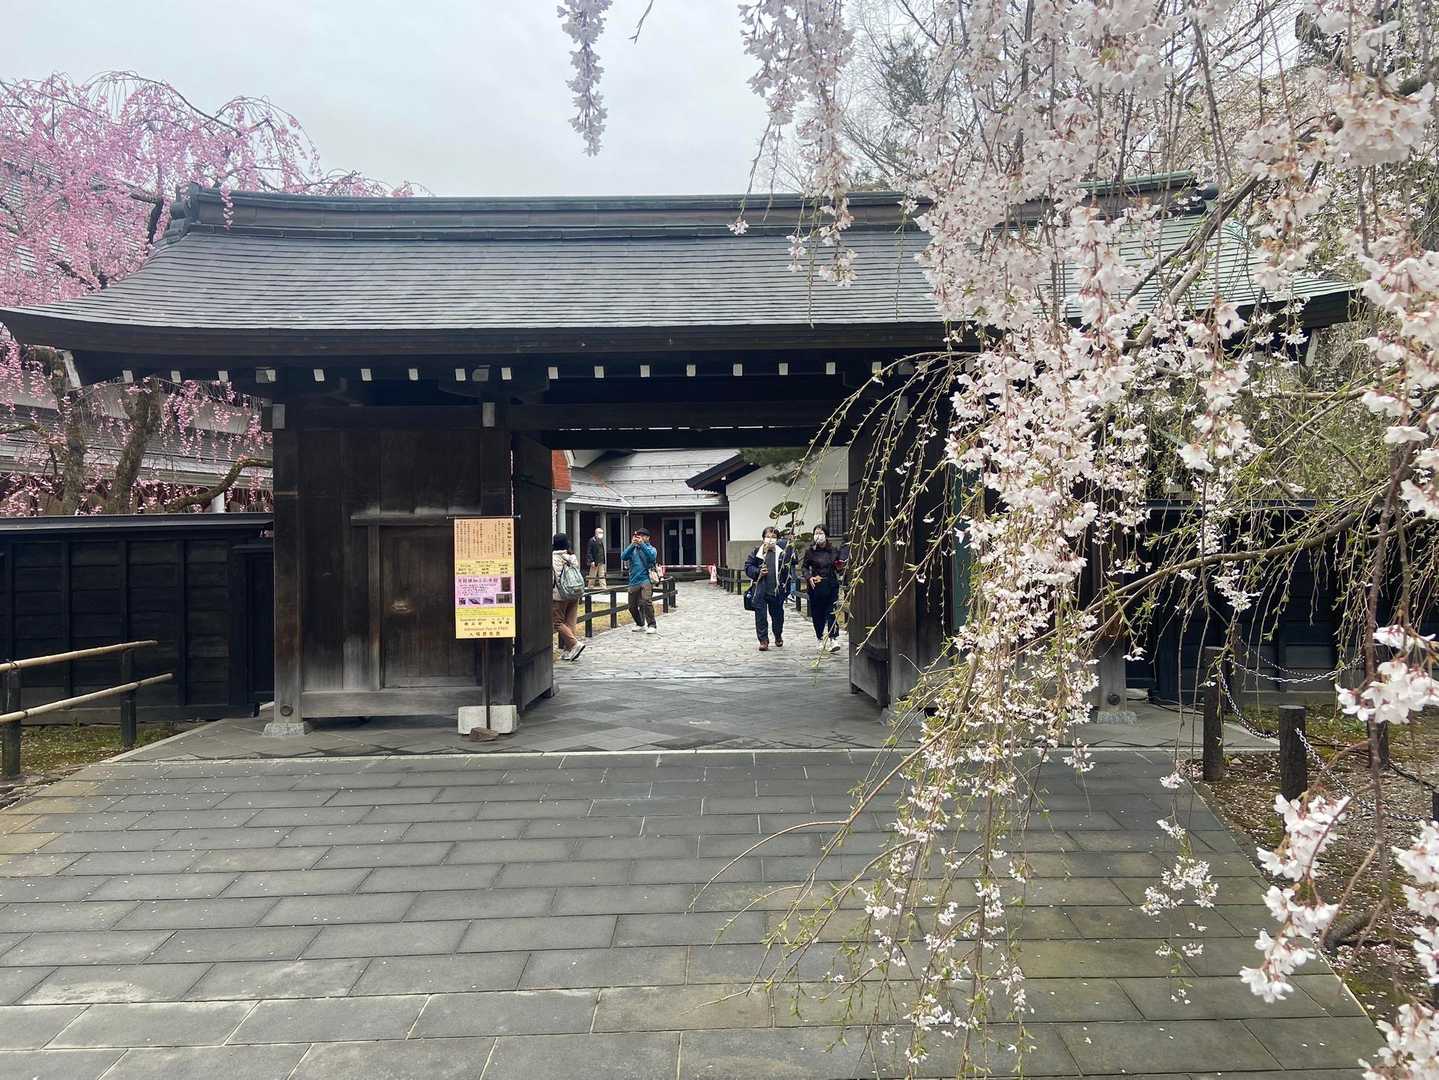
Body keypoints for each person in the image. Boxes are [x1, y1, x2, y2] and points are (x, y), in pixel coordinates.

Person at [745, 525, 795, 651]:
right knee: (760, 616)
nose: (770, 539)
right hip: (761, 589)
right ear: (763, 539)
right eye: (768, 537)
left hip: (776, 589)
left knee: (777, 615)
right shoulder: (757, 552)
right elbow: (748, 567)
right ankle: (763, 640)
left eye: (773, 537)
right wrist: (758, 572)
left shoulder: (782, 552)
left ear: (777, 539)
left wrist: (792, 546)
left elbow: (793, 563)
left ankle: (778, 635)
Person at [802, 526, 845, 653]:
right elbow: (804, 567)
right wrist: (809, 577)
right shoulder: (810, 551)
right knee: (817, 613)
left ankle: (833, 638)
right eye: (816, 533)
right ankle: (819, 637)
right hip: (816, 586)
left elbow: (839, 567)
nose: (818, 536)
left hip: (831, 584)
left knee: (831, 611)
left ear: (826, 535)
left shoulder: (833, 550)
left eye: (821, 533)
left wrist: (840, 566)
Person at [551, 533, 586, 661]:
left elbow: (552, 578)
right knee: (570, 622)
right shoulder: (572, 556)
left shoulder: (553, 558)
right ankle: (569, 650)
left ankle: (574, 644)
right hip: (574, 592)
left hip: (560, 595)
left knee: (557, 622)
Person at [620, 527, 659, 635]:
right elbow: (623, 556)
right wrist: (632, 545)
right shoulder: (633, 549)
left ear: (647, 538)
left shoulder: (651, 549)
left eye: (642, 536)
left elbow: (651, 557)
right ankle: (640, 623)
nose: (640, 538)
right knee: (631, 606)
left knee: (646, 602)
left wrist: (642, 545)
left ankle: (652, 625)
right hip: (633, 580)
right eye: (638, 536)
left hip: (646, 579)